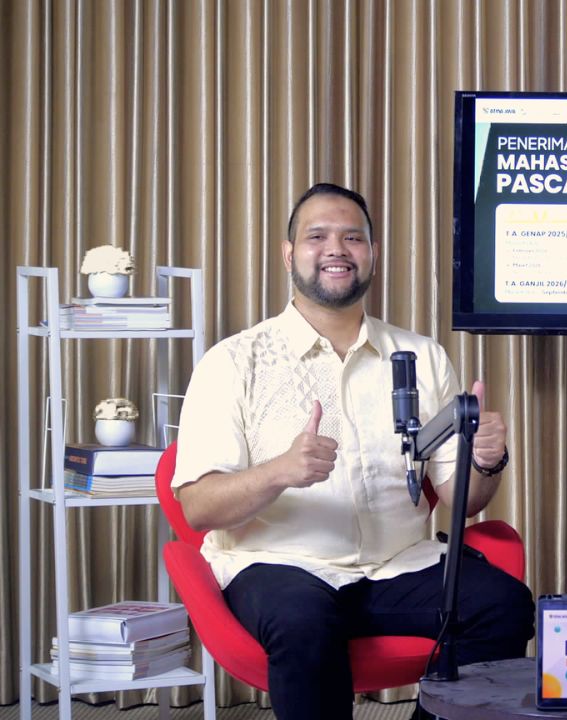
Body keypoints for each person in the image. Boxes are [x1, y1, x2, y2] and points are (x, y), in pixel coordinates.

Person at [173, 183, 534, 720]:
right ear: (289, 254)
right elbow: (198, 507)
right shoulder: (233, 362)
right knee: (303, 625)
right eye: (317, 236)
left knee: (504, 606)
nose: (336, 250)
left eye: (353, 238)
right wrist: (279, 472)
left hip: (398, 564)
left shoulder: (422, 355)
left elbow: (465, 498)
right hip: (281, 566)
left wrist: (486, 460)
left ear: (372, 253)